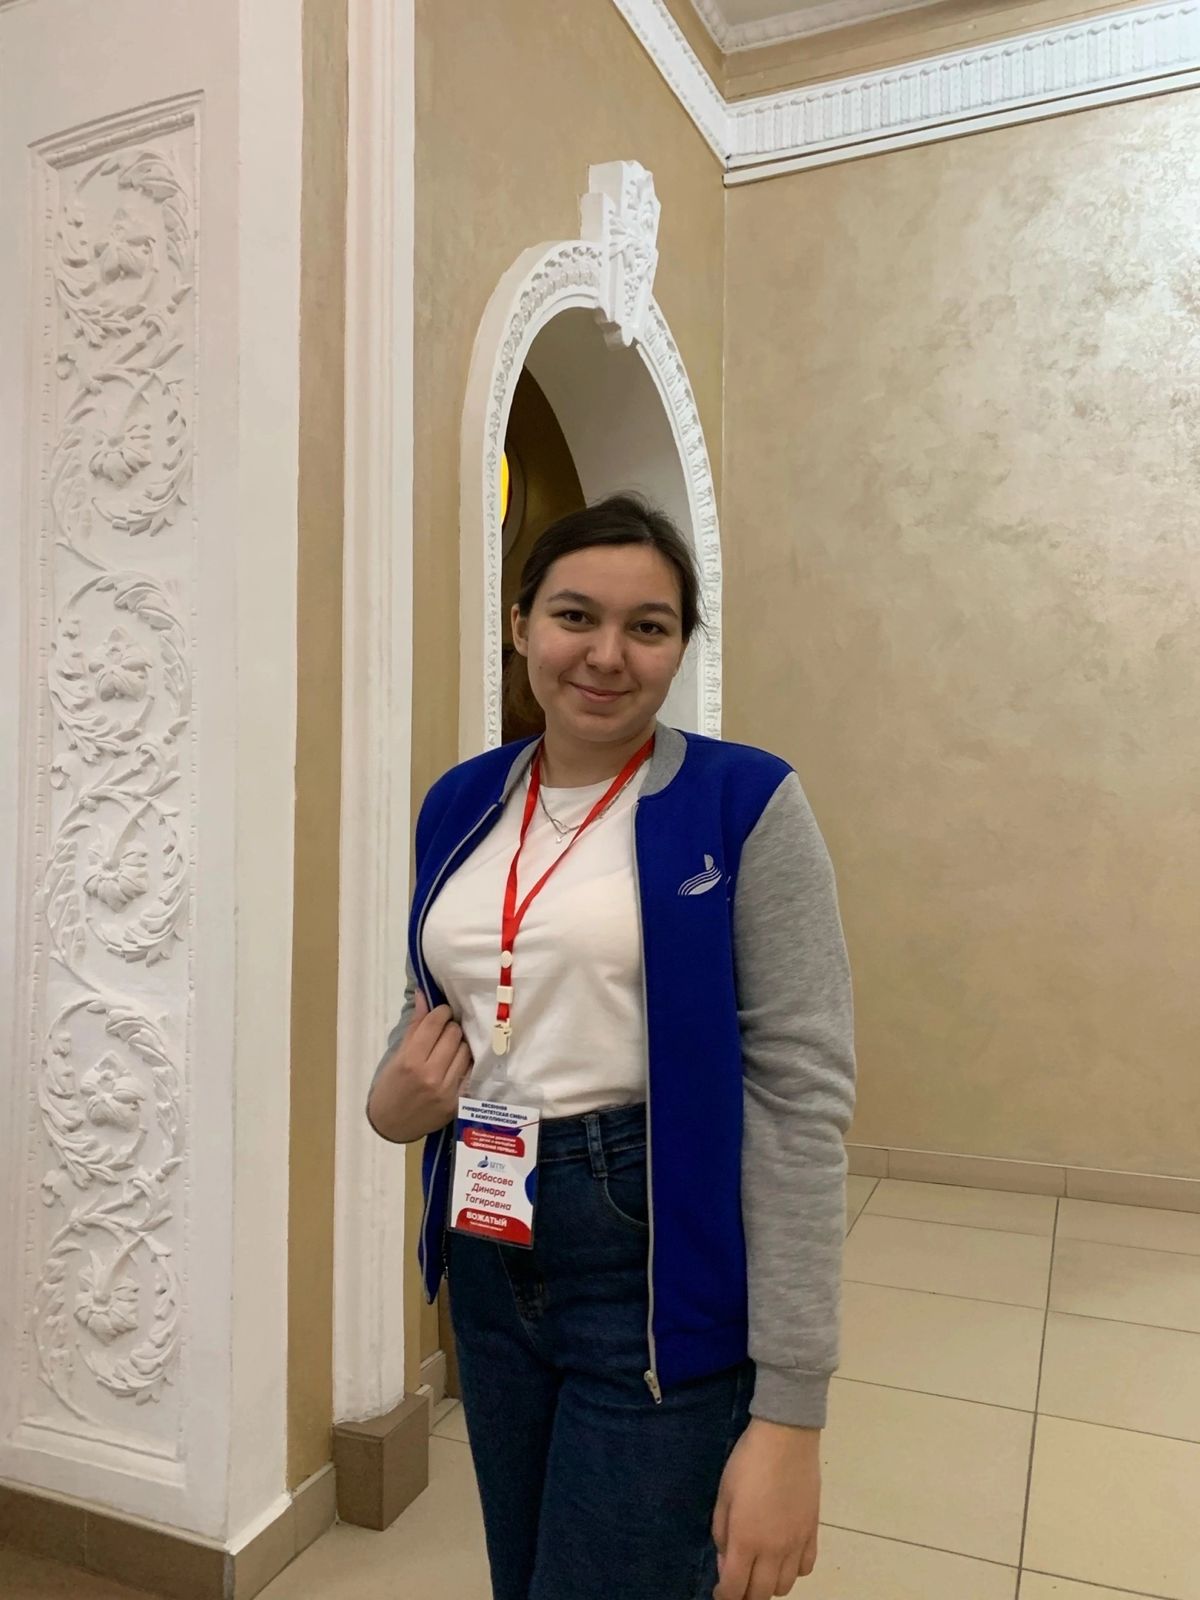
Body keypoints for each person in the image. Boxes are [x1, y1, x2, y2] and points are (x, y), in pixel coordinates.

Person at [367, 493, 856, 1600]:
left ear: (682, 645)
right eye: (575, 615)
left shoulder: (744, 802)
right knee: (526, 1572)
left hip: (650, 1246)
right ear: (520, 624)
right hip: (490, 1249)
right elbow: (441, 1000)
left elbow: (800, 1099)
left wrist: (791, 1412)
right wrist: (391, 1102)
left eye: (648, 626)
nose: (606, 654)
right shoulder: (460, 802)